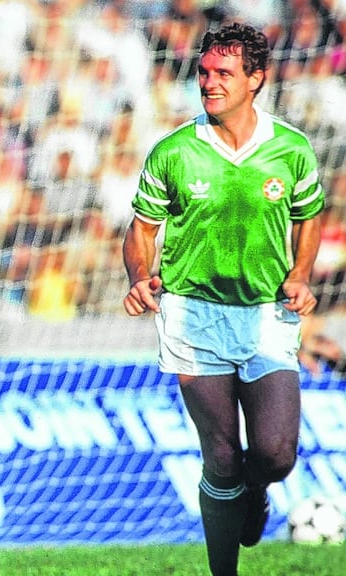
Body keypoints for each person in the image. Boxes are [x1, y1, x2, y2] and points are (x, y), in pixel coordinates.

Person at [121, 22, 323, 576]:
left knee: (276, 454)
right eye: (204, 72)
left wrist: (301, 274)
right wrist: (139, 275)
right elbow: (140, 230)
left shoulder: (291, 149)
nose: (209, 83)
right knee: (222, 455)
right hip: (193, 315)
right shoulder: (174, 151)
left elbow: (309, 216)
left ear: (255, 79)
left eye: (224, 73)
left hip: (266, 314)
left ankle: (254, 492)